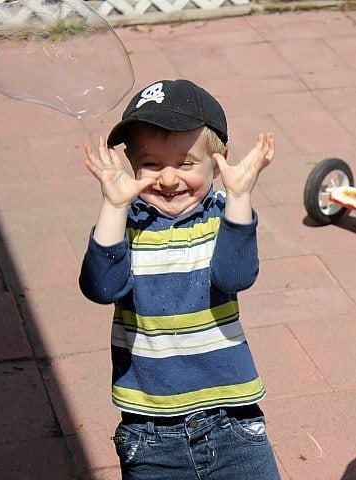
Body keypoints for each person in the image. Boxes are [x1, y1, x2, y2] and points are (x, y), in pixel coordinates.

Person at [79, 79, 281, 480]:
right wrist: (114, 207)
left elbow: (235, 276)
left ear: (218, 162)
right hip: (150, 430)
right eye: (151, 164)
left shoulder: (223, 215)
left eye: (186, 163)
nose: (168, 180)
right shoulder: (126, 223)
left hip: (232, 418)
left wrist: (240, 198)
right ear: (131, 165)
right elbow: (101, 288)